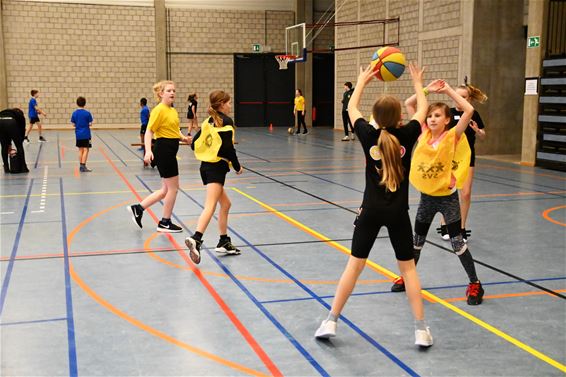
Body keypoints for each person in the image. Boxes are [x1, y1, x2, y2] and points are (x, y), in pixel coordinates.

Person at [314, 63, 434, 347]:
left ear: (376, 118)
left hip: (369, 211)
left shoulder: (369, 135)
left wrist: (361, 81)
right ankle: (421, 330)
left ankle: (330, 320)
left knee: (353, 267)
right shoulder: (407, 135)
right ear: (398, 118)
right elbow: (422, 110)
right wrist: (418, 82)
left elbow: (351, 109)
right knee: (409, 271)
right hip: (398, 214)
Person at [391, 80, 485, 306]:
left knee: (457, 243)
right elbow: (409, 103)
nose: (432, 118)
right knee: (416, 242)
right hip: (427, 199)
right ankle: (408, 277)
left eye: (437, 116)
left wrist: (448, 91)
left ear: (447, 120)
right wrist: (426, 90)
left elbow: (470, 110)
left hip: (447, 199)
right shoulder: (422, 132)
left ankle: (475, 283)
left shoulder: (453, 136)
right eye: (430, 115)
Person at [185, 90, 243, 265]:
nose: (230, 106)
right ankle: (196, 238)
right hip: (216, 168)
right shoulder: (226, 122)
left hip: (206, 166)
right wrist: (238, 166)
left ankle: (224, 241)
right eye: (229, 102)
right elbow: (227, 149)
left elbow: (195, 144)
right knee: (210, 206)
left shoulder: (207, 121)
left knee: (226, 204)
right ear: (222, 104)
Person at [129, 81, 191, 232]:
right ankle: (165, 222)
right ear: (161, 94)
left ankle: (138, 208)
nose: (172, 93)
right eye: (169, 90)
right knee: (174, 189)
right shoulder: (159, 110)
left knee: (165, 190)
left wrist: (183, 138)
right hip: (163, 151)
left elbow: (174, 130)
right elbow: (150, 131)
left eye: (174, 90)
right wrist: (148, 151)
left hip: (170, 149)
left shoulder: (172, 111)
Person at [437, 82, 487, 242]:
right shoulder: (447, 113)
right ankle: (445, 224)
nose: (459, 100)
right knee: (447, 191)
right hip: (449, 158)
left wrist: (478, 131)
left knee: (465, 193)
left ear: (469, 99)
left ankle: (462, 228)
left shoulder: (474, 114)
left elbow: (483, 136)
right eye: (457, 96)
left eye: (463, 97)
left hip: (467, 158)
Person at [0, 108, 28, 174]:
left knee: (4, 146)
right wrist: (19, 142)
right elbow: (22, 130)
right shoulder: (20, 116)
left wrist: (8, 143)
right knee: (19, 146)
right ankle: (23, 167)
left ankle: (6, 167)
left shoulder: (7, 111)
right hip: (10, 123)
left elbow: (6, 134)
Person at [71, 96, 94, 172]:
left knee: (80, 149)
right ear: (85, 104)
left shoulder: (74, 113)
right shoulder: (87, 113)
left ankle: (81, 165)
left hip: (78, 134)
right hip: (86, 134)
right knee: (86, 149)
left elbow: (73, 124)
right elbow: (90, 124)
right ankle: (83, 166)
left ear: (77, 103)